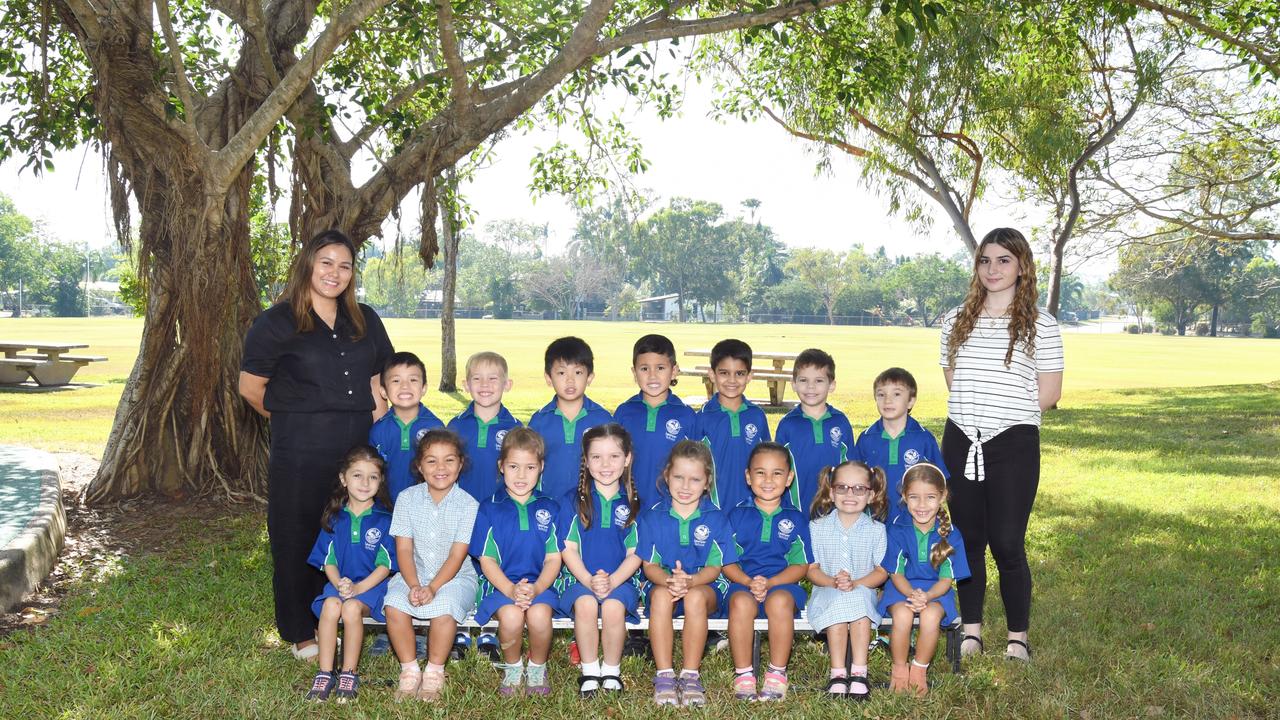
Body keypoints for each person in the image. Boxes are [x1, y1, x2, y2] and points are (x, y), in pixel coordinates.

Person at [239, 229, 394, 660]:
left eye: (345, 266)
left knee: (354, 530)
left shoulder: (364, 318)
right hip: (300, 449)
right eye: (326, 262)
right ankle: (300, 630)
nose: (335, 273)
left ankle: (353, 612)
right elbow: (252, 389)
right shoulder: (275, 323)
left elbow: (381, 375)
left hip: (357, 448)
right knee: (296, 534)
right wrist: (297, 416)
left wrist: (379, 408)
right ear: (308, 264)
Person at [939, 227, 1064, 662]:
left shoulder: (1041, 325)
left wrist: (999, 414)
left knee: (1008, 543)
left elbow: (1048, 394)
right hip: (960, 439)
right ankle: (971, 631)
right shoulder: (956, 320)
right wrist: (974, 417)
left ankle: (1017, 638)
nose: (993, 269)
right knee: (968, 538)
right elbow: (954, 381)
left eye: (1003, 260)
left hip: (1013, 443)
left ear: (1021, 266)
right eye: (985, 260)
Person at [382, 429, 480, 702]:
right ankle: (410, 670)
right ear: (419, 466)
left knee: (445, 609)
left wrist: (433, 587)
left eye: (449, 460)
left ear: (460, 465)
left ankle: (435, 671)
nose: (441, 468)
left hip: (454, 576)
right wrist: (414, 584)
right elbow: (403, 548)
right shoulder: (406, 498)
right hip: (413, 571)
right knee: (395, 604)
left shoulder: (468, 505)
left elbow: (457, 556)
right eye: (432, 461)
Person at [637, 440, 737, 707]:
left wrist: (690, 581)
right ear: (667, 475)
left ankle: (691, 675)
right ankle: (665, 676)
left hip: (704, 588)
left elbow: (715, 568)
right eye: (678, 477)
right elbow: (649, 566)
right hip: (664, 584)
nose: (684, 486)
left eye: (694, 479)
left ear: (707, 482)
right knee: (659, 597)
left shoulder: (716, 519)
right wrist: (670, 581)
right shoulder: (652, 517)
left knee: (693, 598)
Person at [469, 428, 562, 696]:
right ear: (501, 466)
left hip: (540, 585)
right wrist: (511, 590)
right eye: (513, 466)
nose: (521, 475)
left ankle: (536, 668)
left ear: (541, 467)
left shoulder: (550, 507)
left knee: (539, 615)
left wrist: (536, 589)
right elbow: (486, 560)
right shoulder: (489, 507)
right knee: (510, 616)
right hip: (499, 586)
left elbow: (554, 559)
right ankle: (512, 669)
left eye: (530, 467)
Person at [304, 445, 396, 702]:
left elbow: (385, 566)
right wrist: (340, 584)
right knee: (331, 606)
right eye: (357, 475)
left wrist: (357, 589)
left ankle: (349, 672)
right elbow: (328, 560)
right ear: (344, 479)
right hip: (341, 582)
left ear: (381, 481)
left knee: (351, 608)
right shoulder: (335, 517)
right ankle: (324, 672)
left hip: (372, 587)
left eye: (373, 477)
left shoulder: (385, 519)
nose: (365, 483)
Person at [722, 442, 813, 701]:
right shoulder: (736, 515)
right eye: (760, 473)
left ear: (789, 479)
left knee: (780, 601)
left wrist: (771, 582)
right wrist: (750, 582)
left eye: (777, 473)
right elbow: (727, 563)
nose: (768, 480)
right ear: (748, 477)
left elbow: (800, 566)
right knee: (739, 602)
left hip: (782, 584)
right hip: (743, 583)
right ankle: (743, 676)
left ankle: (776, 674)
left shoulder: (796, 518)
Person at [558, 423, 643, 697]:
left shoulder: (635, 504)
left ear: (627, 458)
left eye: (614, 456)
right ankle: (590, 670)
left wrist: (613, 581)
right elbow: (568, 549)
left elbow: (636, 554)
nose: (605, 465)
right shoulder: (572, 501)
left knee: (613, 607)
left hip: (622, 580)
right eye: (597, 457)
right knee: (585, 604)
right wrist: (588, 580)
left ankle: (611, 671)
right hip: (579, 578)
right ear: (586, 459)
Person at [878, 463, 970, 697]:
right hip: (901, 588)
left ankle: (919, 670)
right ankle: (899, 668)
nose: (921, 505)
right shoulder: (897, 529)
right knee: (902, 614)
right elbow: (896, 573)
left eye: (930, 497)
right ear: (904, 497)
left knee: (930, 617)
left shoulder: (951, 533)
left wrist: (926, 597)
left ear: (942, 496)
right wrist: (911, 594)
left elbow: (946, 580)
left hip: (936, 591)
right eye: (914, 497)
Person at [806, 460, 889, 700]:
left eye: (859, 488)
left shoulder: (876, 530)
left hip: (864, 589)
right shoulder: (817, 528)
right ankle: (838, 674)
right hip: (826, 590)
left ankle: (859, 673)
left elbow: (881, 571)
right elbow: (811, 570)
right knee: (838, 603)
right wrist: (833, 581)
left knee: (861, 603)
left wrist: (857, 583)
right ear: (831, 492)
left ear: (871, 495)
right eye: (842, 487)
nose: (850, 494)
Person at [613, 334, 697, 508]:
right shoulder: (624, 412)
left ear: (674, 370)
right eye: (644, 369)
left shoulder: (687, 415)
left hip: (671, 507)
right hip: (627, 505)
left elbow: (696, 465)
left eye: (660, 368)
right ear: (634, 372)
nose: (652, 376)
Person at [855, 367, 947, 524]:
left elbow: (939, 481)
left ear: (911, 400)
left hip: (913, 521)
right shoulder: (866, 438)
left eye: (896, 394)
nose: (887, 400)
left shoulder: (924, 438)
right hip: (874, 521)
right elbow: (854, 479)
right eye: (881, 394)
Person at [527, 337, 612, 501]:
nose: (570, 380)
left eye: (578, 372)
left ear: (590, 377)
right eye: (561, 372)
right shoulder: (539, 421)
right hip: (549, 507)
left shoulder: (603, 419)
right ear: (548, 378)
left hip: (591, 508)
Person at [775, 348, 856, 513]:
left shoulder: (840, 422)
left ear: (831, 385)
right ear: (794, 384)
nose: (810, 387)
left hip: (835, 512)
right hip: (795, 510)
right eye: (803, 380)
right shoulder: (787, 424)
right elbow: (778, 470)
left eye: (819, 381)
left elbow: (851, 467)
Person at [698, 338, 771, 511]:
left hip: (752, 508)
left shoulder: (757, 416)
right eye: (724, 373)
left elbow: (768, 461)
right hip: (712, 508)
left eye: (739, 373)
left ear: (749, 376)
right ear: (712, 374)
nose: (732, 380)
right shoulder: (701, 417)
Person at [369, 352, 444, 504]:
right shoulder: (378, 430)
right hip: (386, 509)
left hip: (425, 509)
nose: (405, 386)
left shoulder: (436, 428)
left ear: (423, 388)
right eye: (396, 380)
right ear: (383, 391)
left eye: (413, 380)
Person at [448, 351, 522, 503]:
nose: (484, 384)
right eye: (477, 378)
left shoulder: (516, 429)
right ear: (466, 385)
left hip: (502, 511)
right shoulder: (455, 426)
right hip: (462, 511)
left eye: (493, 378)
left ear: (507, 385)